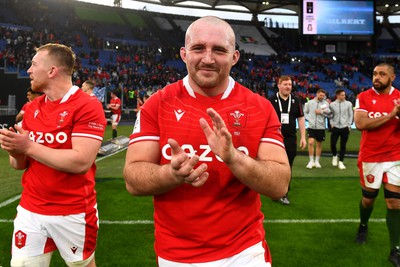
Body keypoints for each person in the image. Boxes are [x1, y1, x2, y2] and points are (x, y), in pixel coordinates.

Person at [123, 16, 290, 267]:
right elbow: (133, 179)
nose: (208, 58)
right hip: (176, 254)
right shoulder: (158, 104)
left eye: (219, 50)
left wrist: (234, 158)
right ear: (183, 53)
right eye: (198, 48)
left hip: (244, 252)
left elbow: (280, 186)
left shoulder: (259, 108)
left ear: (234, 57)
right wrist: (172, 173)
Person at [0, 43, 106, 267]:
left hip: (73, 211)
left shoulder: (87, 106)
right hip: (31, 209)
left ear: (52, 71)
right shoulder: (31, 108)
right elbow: (19, 164)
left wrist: (28, 147)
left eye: (33, 64)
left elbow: (80, 161)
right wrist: (15, 150)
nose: (28, 70)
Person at [354, 63, 400, 267]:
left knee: (394, 203)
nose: (377, 77)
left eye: (382, 74)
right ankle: (363, 225)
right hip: (371, 156)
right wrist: (391, 115)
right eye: (374, 74)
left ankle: (395, 249)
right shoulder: (363, 97)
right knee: (368, 200)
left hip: (395, 156)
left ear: (392, 77)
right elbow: (361, 124)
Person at [268, 75, 306, 205]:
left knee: (288, 166)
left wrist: (303, 137)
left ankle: (284, 193)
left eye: (289, 84)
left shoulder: (296, 101)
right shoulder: (271, 101)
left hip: (290, 139)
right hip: (274, 139)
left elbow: (301, 119)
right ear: (278, 85)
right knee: (273, 166)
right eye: (285, 84)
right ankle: (274, 191)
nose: (288, 87)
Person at [303, 89, 332, 168]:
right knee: (311, 142)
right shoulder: (310, 103)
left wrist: (322, 112)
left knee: (319, 144)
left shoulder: (326, 104)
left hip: (321, 127)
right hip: (311, 126)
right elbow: (305, 112)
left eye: (323, 96)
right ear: (317, 94)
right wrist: (309, 118)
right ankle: (311, 161)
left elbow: (330, 115)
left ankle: (317, 161)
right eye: (321, 95)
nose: (322, 97)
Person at [329, 89, 354, 170]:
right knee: (333, 144)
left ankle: (341, 162)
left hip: (345, 127)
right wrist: (332, 123)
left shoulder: (348, 104)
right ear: (338, 95)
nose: (344, 96)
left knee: (343, 145)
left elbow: (351, 115)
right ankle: (334, 156)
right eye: (342, 95)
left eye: (344, 95)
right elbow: (330, 115)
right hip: (335, 126)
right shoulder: (332, 104)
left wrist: (349, 125)